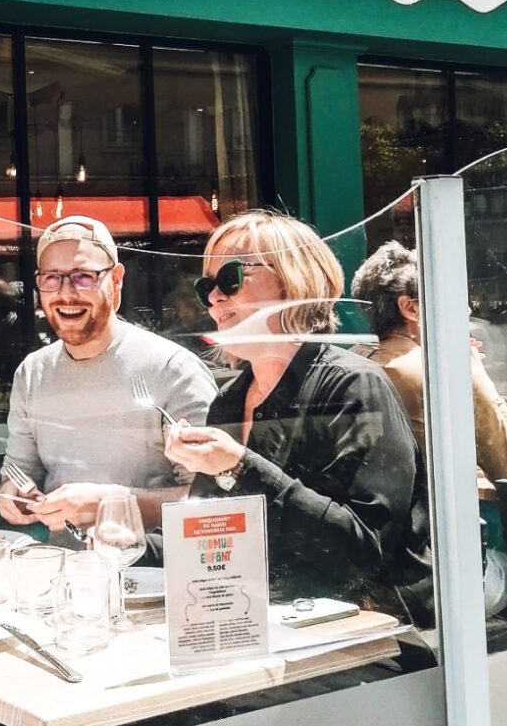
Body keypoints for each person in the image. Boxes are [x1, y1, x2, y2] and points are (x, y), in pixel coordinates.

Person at [164, 210, 431, 617]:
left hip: (370, 627)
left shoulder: (352, 385)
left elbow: (365, 550)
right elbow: (209, 537)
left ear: (292, 281)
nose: (215, 298)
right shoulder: (230, 401)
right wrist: (120, 536)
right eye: (206, 287)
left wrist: (238, 467)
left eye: (231, 278)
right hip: (267, 619)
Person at [0, 216, 216, 538]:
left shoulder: (173, 369)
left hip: (151, 562)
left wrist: (109, 503)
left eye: (83, 277)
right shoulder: (32, 372)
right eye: (52, 278)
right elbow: (20, 470)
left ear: (116, 279)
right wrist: (15, 492)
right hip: (61, 562)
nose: (66, 293)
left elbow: (214, 503)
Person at [351, 240, 507, 482]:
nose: (465, 312)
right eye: (451, 300)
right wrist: (478, 376)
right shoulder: (441, 371)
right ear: (410, 308)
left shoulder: (356, 359)